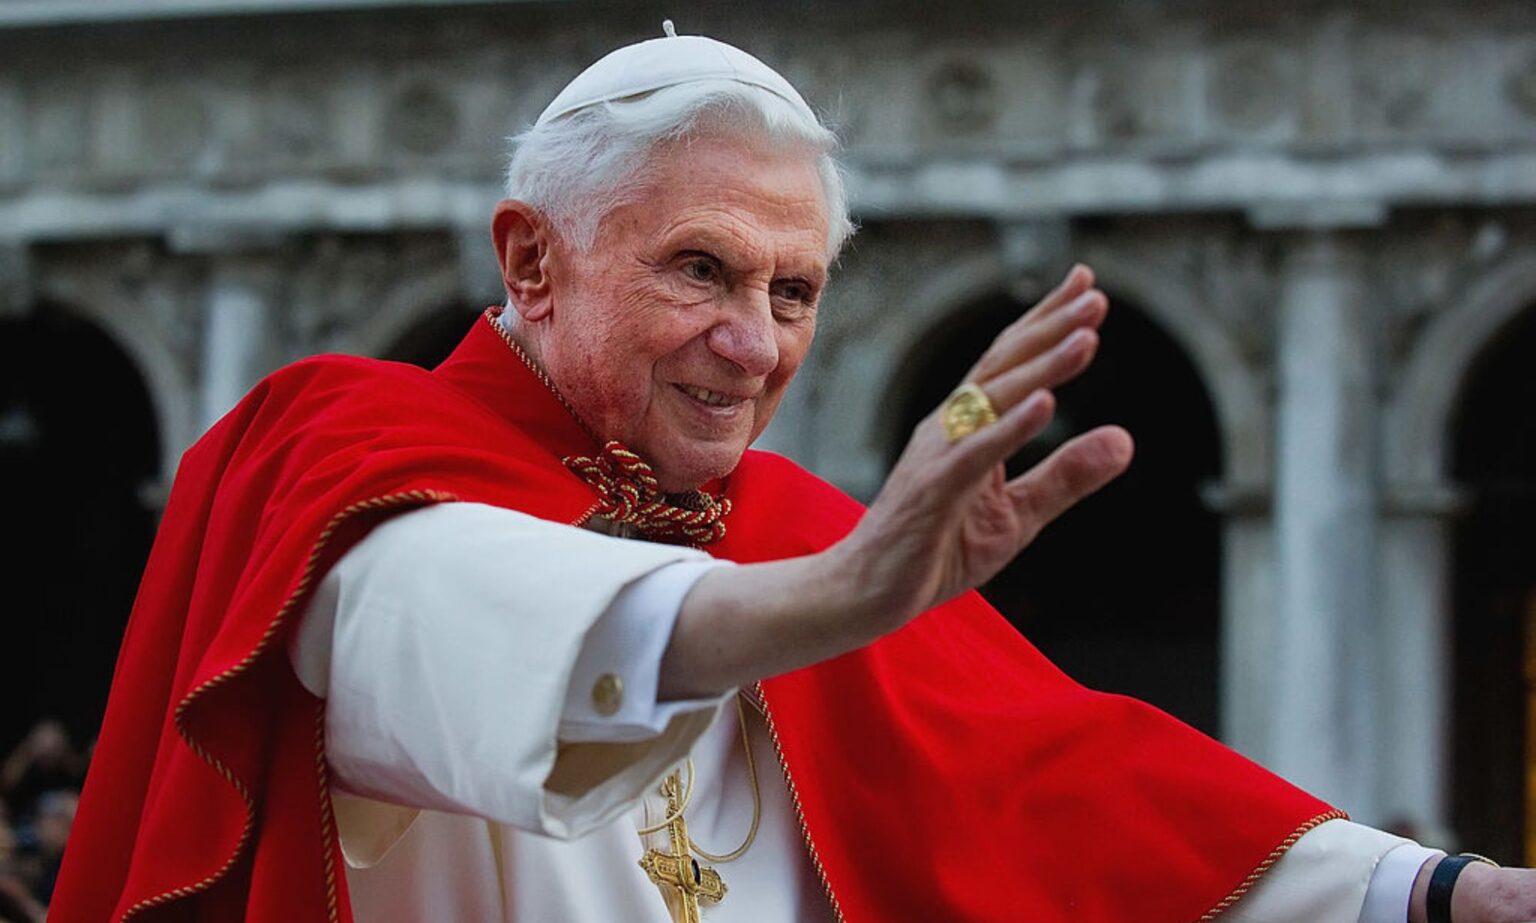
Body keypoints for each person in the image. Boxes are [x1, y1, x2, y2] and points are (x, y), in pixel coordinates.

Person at [51, 25, 1536, 923]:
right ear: (531, 261)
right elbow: (447, 619)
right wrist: (824, 599)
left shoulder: (802, 538)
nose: (751, 344)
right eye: (700, 268)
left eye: (795, 290)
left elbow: (1076, 793)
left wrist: (1445, 892)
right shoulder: (345, 448)